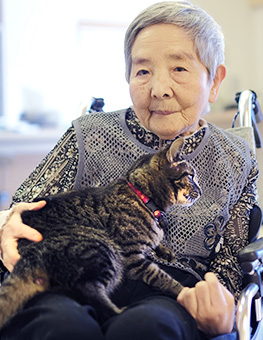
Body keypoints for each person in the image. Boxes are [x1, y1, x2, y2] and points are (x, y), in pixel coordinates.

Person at [0, 1, 259, 339]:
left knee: (145, 328)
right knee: (60, 326)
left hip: (168, 292)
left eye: (179, 69)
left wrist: (221, 307)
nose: (159, 88)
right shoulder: (88, 134)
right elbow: (20, 214)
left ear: (214, 81)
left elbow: (229, 263)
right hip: (72, 273)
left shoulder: (236, 157)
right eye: (142, 71)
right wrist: (6, 226)